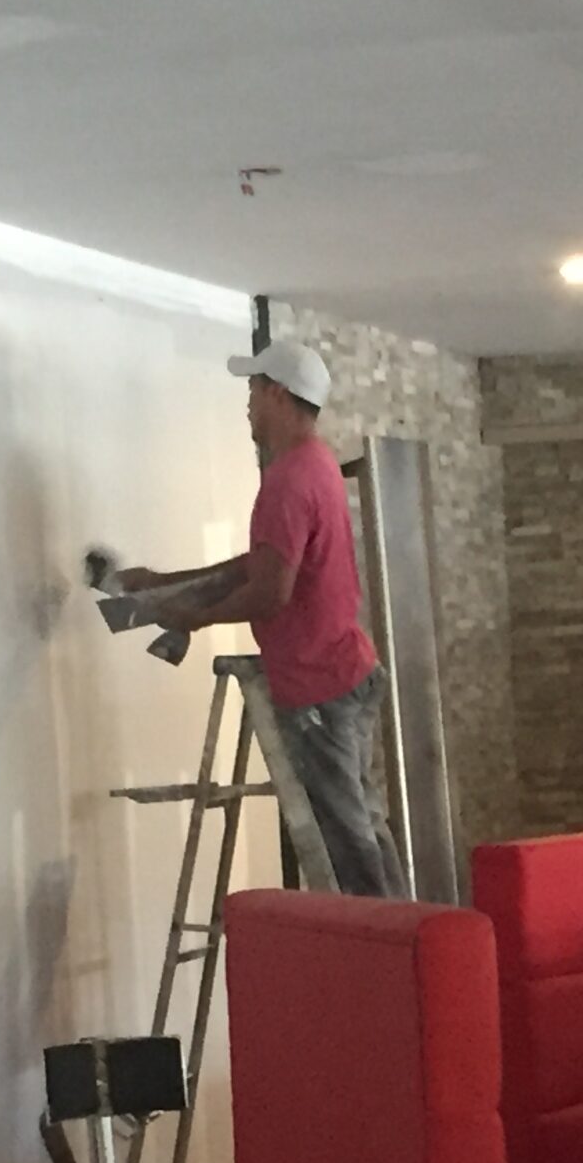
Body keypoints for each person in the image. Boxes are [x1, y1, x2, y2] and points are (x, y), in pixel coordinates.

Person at [119, 341, 408, 899]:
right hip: (346, 670)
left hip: (318, 686)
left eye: (253, 390)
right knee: (365, 827)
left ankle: (383, 944)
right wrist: (164, 583)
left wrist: (195, 617)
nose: (248, 404)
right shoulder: (316, 465)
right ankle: (406, 934)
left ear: (278, 393)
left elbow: (271, 592)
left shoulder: (288, 480)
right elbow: (262, 565)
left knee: (347, 844)